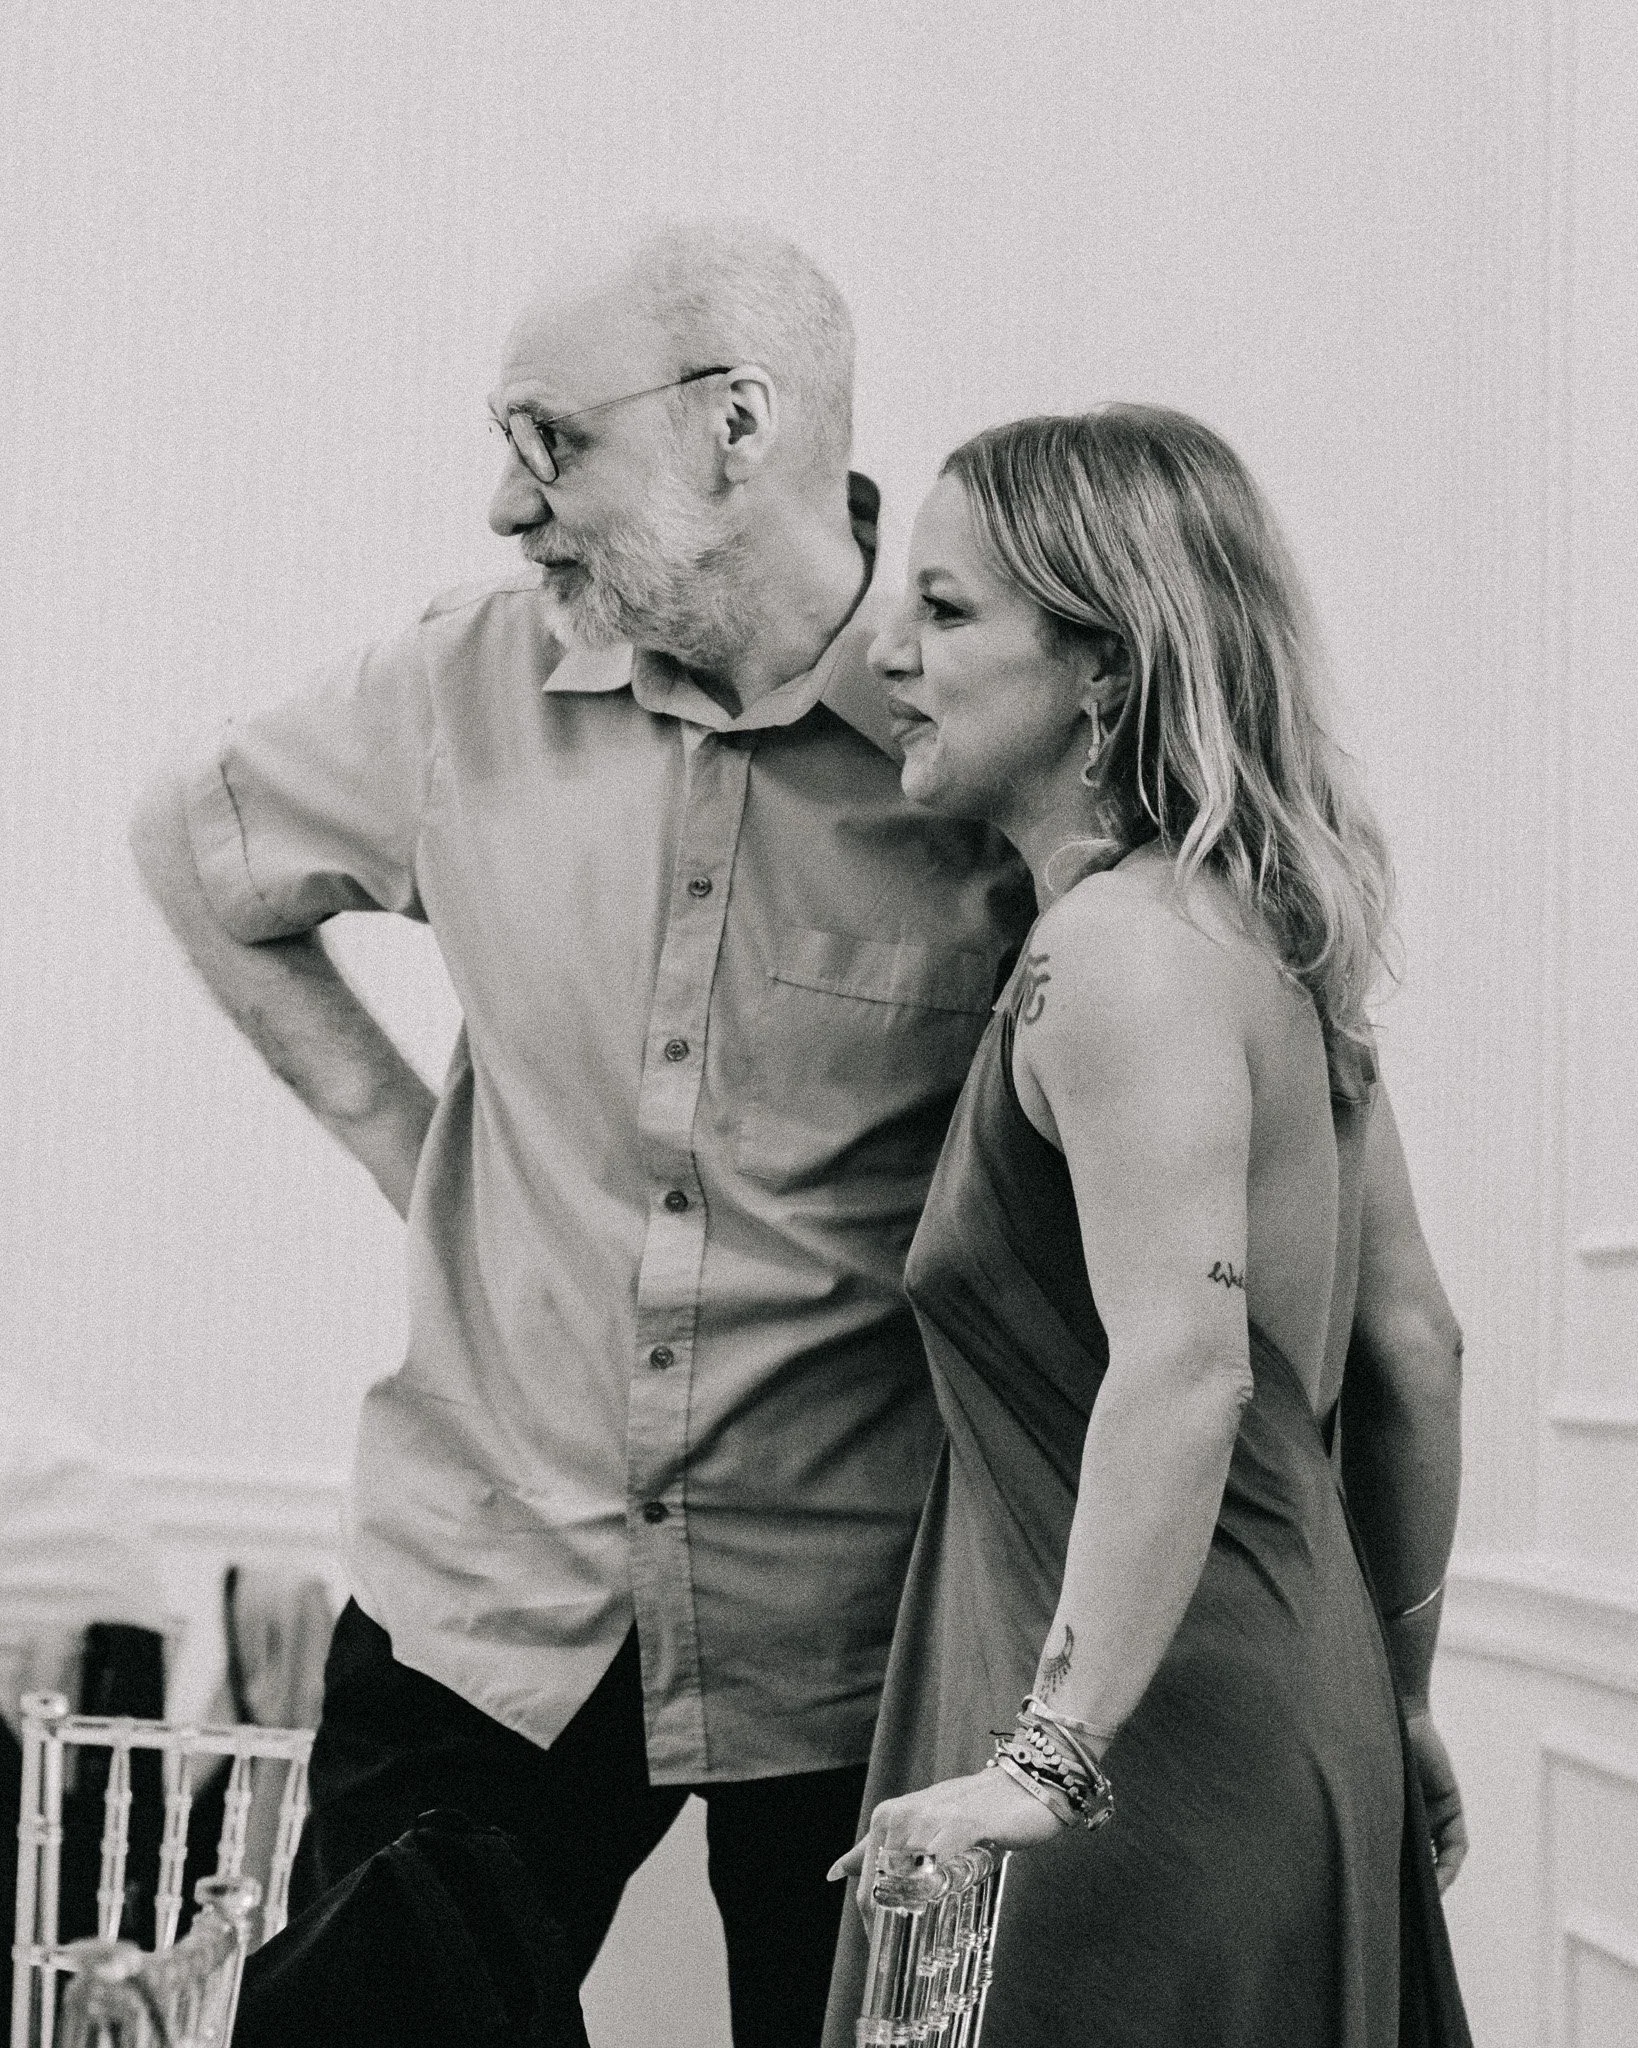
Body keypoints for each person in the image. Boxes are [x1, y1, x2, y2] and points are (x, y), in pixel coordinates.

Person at [128, 220, 1031, 2047]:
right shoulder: (452, 685)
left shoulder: (971, 741)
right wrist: (411, 1153)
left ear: (737, 426)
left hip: (857, 1619)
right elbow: (192, 844)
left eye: (551, 442)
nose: (503, 505)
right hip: (485, 1579)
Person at [824, 406, 1473, 2046]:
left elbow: (1186, 1367)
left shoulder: (1113, 958)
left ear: (1102, 666)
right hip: (1280, 1696)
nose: (887, 646)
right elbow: (1414, 1351)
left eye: (947, 608)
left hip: (1131, 1747)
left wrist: (1046, 1762)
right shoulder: (1268, 935)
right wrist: (1391, 1700)